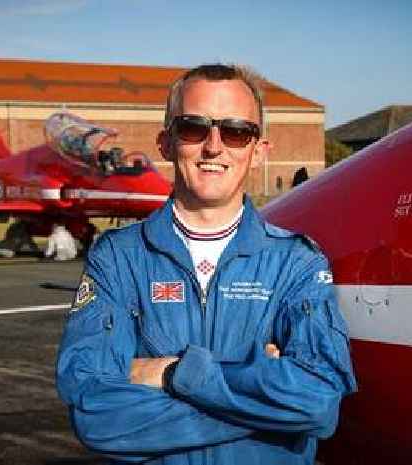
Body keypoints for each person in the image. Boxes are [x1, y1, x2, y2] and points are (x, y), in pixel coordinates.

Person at [56, 64, 356, 465]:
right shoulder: (118, 257)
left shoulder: (297, 262)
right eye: (194, 128)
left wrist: (174, 375)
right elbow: (96, 413)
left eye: (236, 131)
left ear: (258, 149)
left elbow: (318, 401)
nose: (214, 147)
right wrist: (265, 401)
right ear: (166, 143)